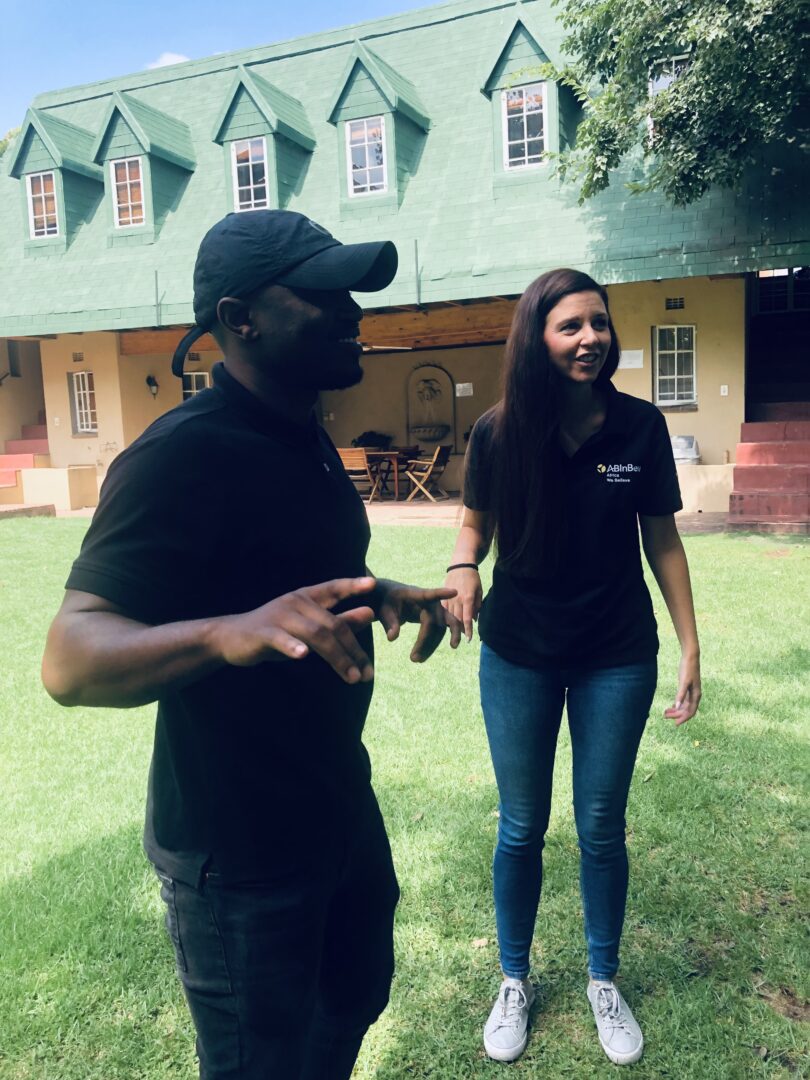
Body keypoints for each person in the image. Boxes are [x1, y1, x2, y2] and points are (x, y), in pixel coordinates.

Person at [41, 209, 462, 1080]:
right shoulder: (182, 455)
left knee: (355, 993)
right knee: (258, 1062)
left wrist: (370, 591)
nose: (352, 315)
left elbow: (284, 574)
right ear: (241, 320)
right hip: (238, 852)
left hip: (336, 803)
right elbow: (70, 658)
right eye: (321, 296)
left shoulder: (304, 434)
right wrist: (228, 633)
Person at [443, 268, 701, 1066]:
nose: (590, 337)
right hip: (518, 652)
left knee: (599, 827)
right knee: (521, 826)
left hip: (617, 656)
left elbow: (661, 539)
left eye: (598, 323)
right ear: (537, 338)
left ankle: (602, 979)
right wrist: (463, 570)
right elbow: (472, 525)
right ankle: (514, 979)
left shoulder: (639, 428)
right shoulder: (497, 431)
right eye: (569, 326)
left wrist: (691, 643)